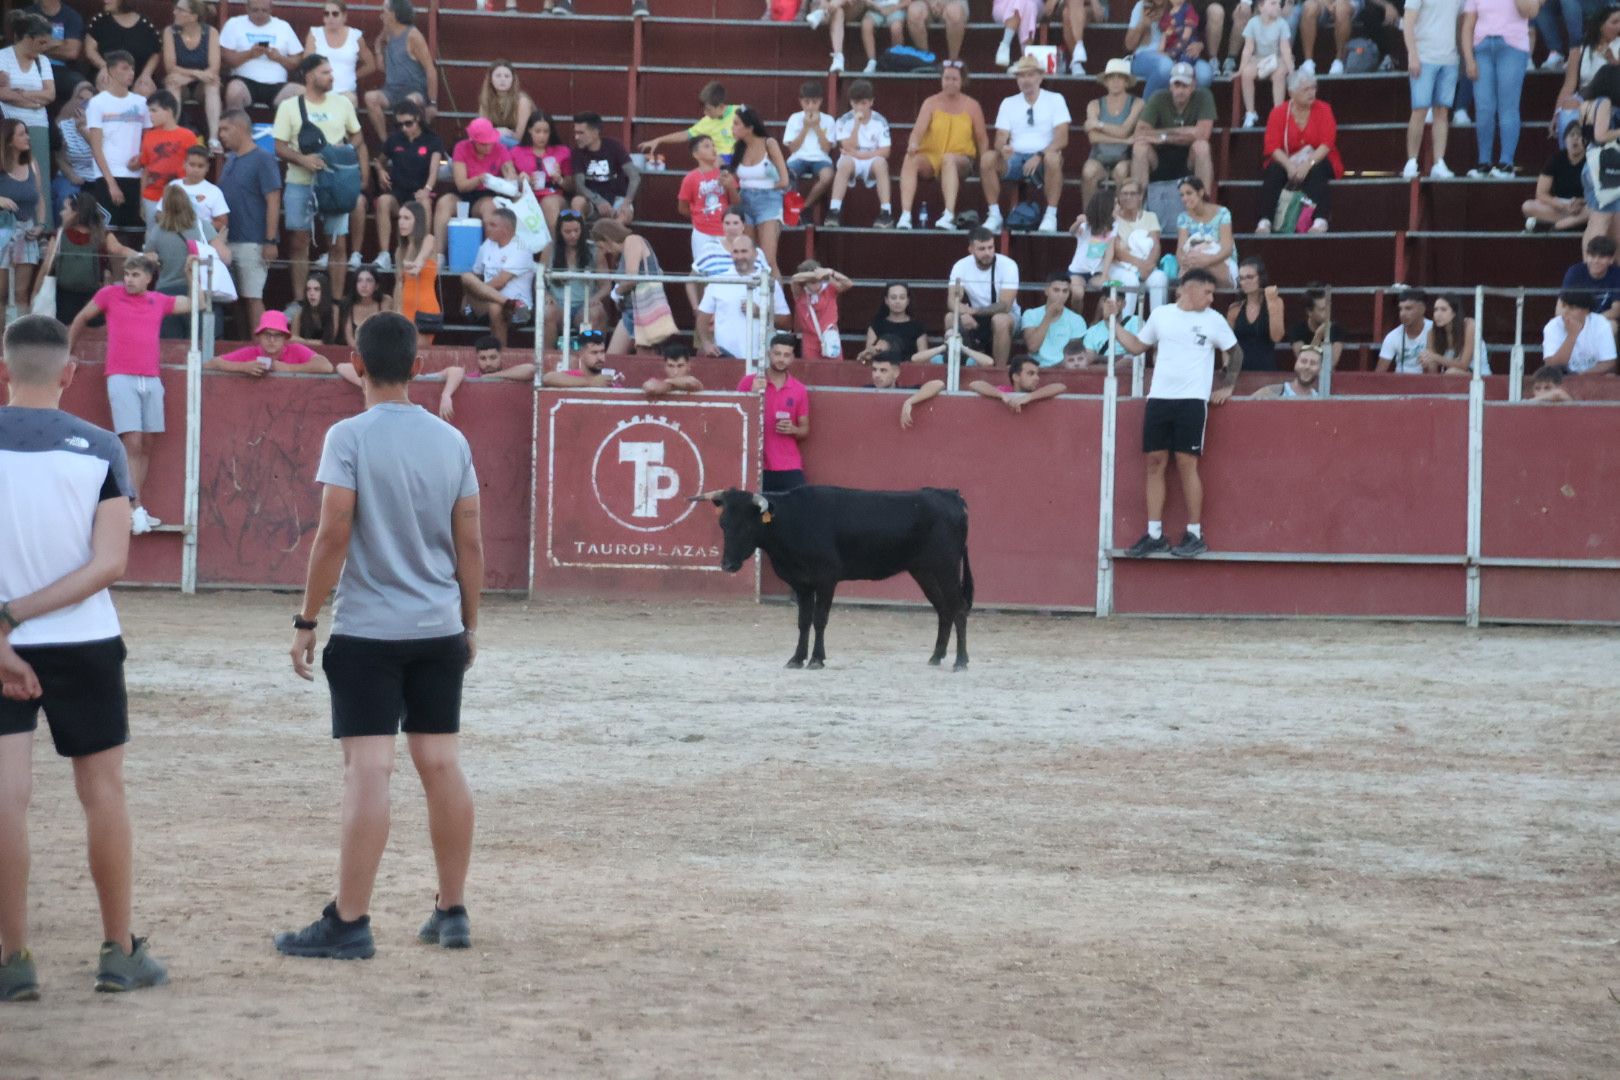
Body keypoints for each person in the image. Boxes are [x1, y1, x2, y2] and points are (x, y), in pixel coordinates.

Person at [275, 312, 481, 962]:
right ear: (419, 366)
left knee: (369, 768)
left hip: (368, 630)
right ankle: (452, 910)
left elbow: (334, 531)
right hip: (438, 626)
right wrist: (468, 623)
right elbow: (470, 541)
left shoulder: (349, 435)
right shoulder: (450, 441)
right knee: (441, 762)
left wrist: (308, 618)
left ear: (356, 365)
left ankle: (351, 920)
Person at [0, 314, 169, 1003]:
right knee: (102, 793)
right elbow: (110, 564)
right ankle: (118, 950)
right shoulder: (101, 448)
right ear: (70, 374)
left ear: (6, 370)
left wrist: (3, 625)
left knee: (6, 802)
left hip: (2, 646)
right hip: (82, 640)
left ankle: (12, 960)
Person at [1116, 267, 1242, 559]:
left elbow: (1235, 353)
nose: (1211, 298)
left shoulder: (1214, 320)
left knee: (1187, 463)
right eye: (1207, 292)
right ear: (1188, 289)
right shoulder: (1162, 315)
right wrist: (1113, 322)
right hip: (1159, 397)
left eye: (1213, 293)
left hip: (1192, 400)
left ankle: (1195, 534)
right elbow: (1136, 347)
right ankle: (1155, 534)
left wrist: (1229, 387)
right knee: (1154, 462)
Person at [66, 255, 192, 534]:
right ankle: (132, 507)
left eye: (135, 275)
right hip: (121, 375)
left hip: (151, 378)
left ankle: (137, 507)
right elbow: (81, 318)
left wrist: (189, 271)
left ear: (148, 278)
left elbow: (198, 303)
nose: (129, 280)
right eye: (127, 274)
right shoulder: (110, 295)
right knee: (132, 441)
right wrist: (68, 351)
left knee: (146, 443)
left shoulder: (158, 300)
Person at [272, 55, 367, 301]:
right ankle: (300, 299)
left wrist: (341, 150)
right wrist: (304, 160)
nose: (331, 76)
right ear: (310, 75)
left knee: (337, 242)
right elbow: (279, 147)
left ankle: (336, 300)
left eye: (331, 71)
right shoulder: (289, 106)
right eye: (325, 72)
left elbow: (357, 135)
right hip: (300, 180)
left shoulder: (342, 104)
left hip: (334, 182)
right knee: (298, 240)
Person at [981, 55, 1070, 234]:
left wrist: (1040, 155)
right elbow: (1000, 137)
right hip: (1015, 157)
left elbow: (1062, 138)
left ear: (1040, 77)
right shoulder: (1008, 102)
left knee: (1053, 158)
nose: (1026, 80)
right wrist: (1002, 148)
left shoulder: (1055, 99)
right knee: (988, 158)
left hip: (1044, 157)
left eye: (1030, 75)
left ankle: (1050, 215)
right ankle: (994, 214)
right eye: (1021, 76)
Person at [897, 62, 985, 231]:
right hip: (932, 156)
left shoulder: (972, 106)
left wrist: (982, 163)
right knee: (911, 159)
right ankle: (905, 215)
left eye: (954, 79)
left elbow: (982, 138)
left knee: (948, 159)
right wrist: (913, 144)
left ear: (962, 81)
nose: (950, 82)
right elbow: (917, 132)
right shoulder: (930, 102)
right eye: (946, 78)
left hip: (961, 158)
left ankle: (949, 214)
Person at [216, 109, 280, 335]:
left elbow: (273, 200)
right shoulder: (230, 159)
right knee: (236, 300)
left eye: (225, 129)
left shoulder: (263, 158)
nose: (221, 134)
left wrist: (270, 240)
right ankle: (245, 345)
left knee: (253, 297)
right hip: (228, 240)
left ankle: (262, 348)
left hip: (253, 240)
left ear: (241, 128)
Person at [1255, 68, 1340, 233]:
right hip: (1289, 160)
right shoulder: (1278, 113)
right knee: (1274, 170)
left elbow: (1327, 143)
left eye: (1313, 88)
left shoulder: (1324, 109)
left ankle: (1320, 220)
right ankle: (1265, 220)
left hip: (1318, 158)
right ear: (1291, 93)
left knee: (1317, 169)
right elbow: (1272, 146)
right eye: (1305, 89)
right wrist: (1289, 166)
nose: (1311, 93)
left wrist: (1308, 164)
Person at [33, 191, 135, 326]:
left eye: (65, 209)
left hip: (83, 298)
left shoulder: (96, 234)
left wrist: (35, 292)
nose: (61, 213)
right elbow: (119, 249)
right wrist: (140, 255)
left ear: (76, 213)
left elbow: (46, 266)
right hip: (72, 297)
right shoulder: (63, 234)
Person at [1461, 0, 1536, 177]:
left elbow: (1530, 11)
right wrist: (1469, 59)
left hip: (1513, 46)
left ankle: (1506, 163)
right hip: (1482, 47)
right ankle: (1484, 162)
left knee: (1508, 106)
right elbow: (1467, 25)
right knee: (1484, 107)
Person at [143, 183, 224, 340]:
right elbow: (224, 256)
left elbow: (148, 259)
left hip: (167, 292)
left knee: (171, 347)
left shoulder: (158, 231)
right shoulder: (202, 226)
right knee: (201, 344)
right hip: (198, 291)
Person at [371, 101, 443, 273]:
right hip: (398, 193)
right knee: (383, 201)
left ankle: (421, 253)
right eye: (399, 124)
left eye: (408, 123)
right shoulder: (394, 139)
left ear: (418, 119)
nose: (404, 128)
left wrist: (426, 189)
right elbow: (377, 161)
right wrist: (381, 171)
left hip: (419, 192)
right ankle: (384, 254)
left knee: (424, 203)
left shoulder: (433, 140)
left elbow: (434, 170)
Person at [0, 12, 58, 220]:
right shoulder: (3, 57)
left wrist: (21, 93)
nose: (45, 47)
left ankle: (42, 224)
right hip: (10, 122)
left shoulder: (43, 62)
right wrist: (35, 100)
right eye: (41, 42)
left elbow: (50, 94)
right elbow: (2, 93)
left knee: (38, 176)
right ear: (28, 38)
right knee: (13, 170)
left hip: (38, 123)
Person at [432, 116, 515, 259]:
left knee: (491, 208)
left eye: (490, 143)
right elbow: (461, 184)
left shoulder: (500, 149)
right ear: (473, 141)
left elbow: (511, 174)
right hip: (464, 192)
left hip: (485, 194)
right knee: (443, 203)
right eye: (483, 144)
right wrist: (479, 178)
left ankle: (491, 256)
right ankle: (439, 255)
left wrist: (512, 179)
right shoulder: (461, 148)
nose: (488, 146)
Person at [85, 50, 150, 231]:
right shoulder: (98, 103)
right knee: (110, 233)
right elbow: (96, 146)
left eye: (132, 69)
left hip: (135, 175)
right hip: (108, 174)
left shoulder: (141, 102)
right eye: (125, 68)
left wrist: (142, 160)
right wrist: (111, 183)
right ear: (111, 71)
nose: (131, 73)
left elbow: (148, 139)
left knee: (135, 232)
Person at [736, 333, 810, 491]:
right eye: (777, 354)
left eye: (786, 355)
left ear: (792, 358)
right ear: (769, 353)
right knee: (761, 513)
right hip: (756, 463)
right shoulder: (749, 382)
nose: (781, 359)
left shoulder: (799, 389)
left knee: (799, 509)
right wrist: (752, 395)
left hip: (789, 464)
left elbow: (804, 430)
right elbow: (735, 421)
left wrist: (793, 429)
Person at [698, 234, 790, 359]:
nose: (739, 256)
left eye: (744, 251)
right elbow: (702, 317)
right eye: (735, 252)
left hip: (761, 360)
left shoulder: (769, 283)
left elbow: (787, 323)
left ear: (755, 254)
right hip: (725, 358)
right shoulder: (718, 281)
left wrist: (762, 313)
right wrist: (706, 343)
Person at [1131, 61, 1216, 192]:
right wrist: (1186, 132)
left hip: (1188, 158)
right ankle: (1139, 205)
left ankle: (1203, 202)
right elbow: (1140, 133)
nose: (1180, 90)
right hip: (1159, 158)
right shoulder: (1158, 97)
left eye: (1185, 85)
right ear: (1170, 86)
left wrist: (1163, 136)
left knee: (1202, 147)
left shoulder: (1204, 96)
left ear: (1193, 86)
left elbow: (1202, 134)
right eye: (1177, 85)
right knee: (1139, 147)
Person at [1400, 0, 1460, 178]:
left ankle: (1439, 162)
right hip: (1424, 56)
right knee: (1419, 110)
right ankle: (1411, 161)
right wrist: (1412, 54)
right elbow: (1408, 20)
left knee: (1442, 111)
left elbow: (1461, 20)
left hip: (1450, 59)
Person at [363, 0, 436, 144]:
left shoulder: (413, 35)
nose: (381, 15)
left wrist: (432, 103)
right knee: (370, 97)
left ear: (394, 14)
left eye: (384, 11)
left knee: (409, 102)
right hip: (391, 90)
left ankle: (407, 143)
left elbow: (430, 69)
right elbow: (382, 68)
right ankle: (387, 143)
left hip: (415, 90)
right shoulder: (388, 33)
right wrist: (378, 50)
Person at [460, 207, 534, 349]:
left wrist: (475, 291)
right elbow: (476, 275)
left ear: (506, 229)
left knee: (495, 307)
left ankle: (501, 356)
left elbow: (500, 282)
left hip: (521, 311)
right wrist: (466, 298)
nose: (487, 228)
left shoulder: (521, 248)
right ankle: (508, 303)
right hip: (489, 304)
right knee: (466, 277)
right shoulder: (487, 245)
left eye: (493, 225)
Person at [730, 107, 790, 277]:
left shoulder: (769, 143)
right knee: (749, 257)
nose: (733, 128)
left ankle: (776, 303)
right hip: (745, 200)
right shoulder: (738, 148)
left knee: (768, 260)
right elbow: (734, 177)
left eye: (736, 124)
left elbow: (784, 180)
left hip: (769, 200)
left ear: (749, 127)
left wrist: (762, 187)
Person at [591, 217, 665, 355]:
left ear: (608, 239)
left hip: (646, 310)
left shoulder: (633, 240)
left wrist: (616, 292)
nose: (605, 251)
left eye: (602, 246)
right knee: (612, 360)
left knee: (645, 361)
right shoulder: (624, 251)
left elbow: (632, 278)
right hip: (630, 311)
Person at [824, 80, 892, 228]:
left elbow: (886, 151)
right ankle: (834, 210)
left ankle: (886, 212)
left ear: (871, 102)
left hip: (871, 159)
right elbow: (848, 146)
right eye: (856, 103)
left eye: (864, 103)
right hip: (852, 159)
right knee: (844, 163)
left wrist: (862, 155)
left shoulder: (880, 121)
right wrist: (856, 125)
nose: (860, 107)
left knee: (881, 164)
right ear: (851, 103)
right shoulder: (844, 120)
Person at [947, 226, 1020, 364]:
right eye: (982, 249)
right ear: (971, 249)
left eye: (991, 247)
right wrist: (963, 314)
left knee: (1000, 320)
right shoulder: (960, 266)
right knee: (951, 318)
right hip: (977, 316)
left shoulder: (1008, 265)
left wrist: (974, 311)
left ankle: (999, 372)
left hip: (1008, 316)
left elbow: (1005, 306)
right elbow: (952, 302)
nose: (988, 253)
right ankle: (959, 369)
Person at [220, 0, 303, 114]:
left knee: (302, 93)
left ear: (271, 9)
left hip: (277, 84)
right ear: (247, 8)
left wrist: (279, 58)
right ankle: (236, 127)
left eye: (264, 10)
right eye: (255, 10)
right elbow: (226, 59)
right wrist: (249, 54)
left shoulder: (283, 26)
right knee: (234, 91)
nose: (260, 14)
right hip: (244, 82)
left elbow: (296, 60)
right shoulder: (234, 24)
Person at [1083, 59, 1144, 207]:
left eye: (1120, 77)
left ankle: (1121, 219)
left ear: (1126, 82)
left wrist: (1099, 124)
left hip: (1125, 157)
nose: (1115, 81)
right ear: (1106, 81)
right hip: (1099, 156)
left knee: (1121, 171)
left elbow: (1124, 130)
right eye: (1111, 77)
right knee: (1088, 172)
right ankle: (1089, 220)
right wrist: (1124, 140)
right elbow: (1093, 137)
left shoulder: (1137, 103)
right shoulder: (1094, 104)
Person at [161, 0, 220, 153]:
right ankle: (171, 133)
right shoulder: (170, 32)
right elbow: (170, 66)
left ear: (193, 16)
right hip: (182, 83)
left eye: (180, 10)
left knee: (213, 84)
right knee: (173, 81)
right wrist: (197, 73)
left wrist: (189, 77)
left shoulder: (211, 32)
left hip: (200, 85)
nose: (175, 12)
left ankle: (213, 139)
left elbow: (214, 68)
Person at [0, 118, 45, 310]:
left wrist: (40, 225)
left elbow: (39, 197)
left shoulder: (32, 163)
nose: (27, 137)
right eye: (21, 133)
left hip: (26, 232)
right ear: (9, 140)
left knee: (21, 292)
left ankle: (20, 337)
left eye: (27, 132)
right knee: (1, 293)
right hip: (2, 231)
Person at [1107, 179, 1169, 318]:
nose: (1128, 197)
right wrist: (1142, 266)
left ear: (1141, 196)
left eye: (1133, 193)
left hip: (1145, 265)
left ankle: (1157, 326)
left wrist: (1149, 266)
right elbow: (1117, 251)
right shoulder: (1113, 218)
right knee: (1130, 280)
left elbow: (1155, 244)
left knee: (1160, 278)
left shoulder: (1150, 217)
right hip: (1119, 267)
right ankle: (1126, 324)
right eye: (1124, 194)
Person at [136, 90, 197, 230]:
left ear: (168, 111)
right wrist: (141, 201)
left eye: (154, 110)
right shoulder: (149, 136)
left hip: (178, 197)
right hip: (151, 196)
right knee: (152, 236)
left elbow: (193, 168)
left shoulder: (188, 136)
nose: (150, 115)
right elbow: (145, 170)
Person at [206, 310, 336, 375]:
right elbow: (211, 364)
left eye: (277, 335)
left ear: (285, 338)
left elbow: (326, 366)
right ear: (260, 336)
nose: (272, 340)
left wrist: (290, 368)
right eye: (267, 334)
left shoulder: (296, 349)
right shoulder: (251, 352)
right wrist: (244, 367)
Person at [541, 208, 600, 349]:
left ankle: (589, 356)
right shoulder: (550, 249)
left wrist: (596, 297)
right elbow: (539, 281)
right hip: (559, 306)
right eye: (567, 232)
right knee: (547, 311)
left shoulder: (594, 250)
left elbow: (606, 284)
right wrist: (547, 295)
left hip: (584, 306)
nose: (573, 235)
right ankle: (547, 358)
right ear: (559, 232)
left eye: (576, 230)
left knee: (597, 312)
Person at [637, 80, 739, 160]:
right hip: (722, 167)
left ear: (721, 107)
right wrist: (659, 140)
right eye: (704, 109)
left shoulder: (741, 112)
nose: (705, 113)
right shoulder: (707, 122)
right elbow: (685, 135)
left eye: (709, 109)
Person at [570, 112, 639, 224]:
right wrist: (598, 201)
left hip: (617, 198)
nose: (576, 137)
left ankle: (610, 237)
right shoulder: (577, 153)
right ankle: (581, 239)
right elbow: (579, 185)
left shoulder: (614, 146)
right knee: (577, 202)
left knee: (625, 214)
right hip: (592, 200)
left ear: (595, 132)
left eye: (581, 133)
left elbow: (634, 176)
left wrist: (626, 202)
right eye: (575, 132)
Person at [306, 0, 376, 110]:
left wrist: (353, 76)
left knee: (349, 103)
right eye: (326, 14)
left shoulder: (355, 36)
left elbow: (371, 65)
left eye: (335, 14)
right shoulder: (315, 33)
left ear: (344, 16)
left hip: (346, 93)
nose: (330, 17)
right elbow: (306, 64)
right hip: (320, 92)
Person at [511, 112, 571, 236]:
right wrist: (520, 180)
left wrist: (560, 179)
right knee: (519, 201)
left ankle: (555, 248)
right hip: (527, 193)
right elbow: (508, 181)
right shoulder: (516, 152)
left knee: (549, 203)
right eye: (537, 131)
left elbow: (571, 186)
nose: (542, 136)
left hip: (553, 193)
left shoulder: (562, 151)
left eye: (546, 132)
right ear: (529, 131)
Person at [84, 0, 159, 99]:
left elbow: (155, 53)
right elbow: (90, 51)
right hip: (107, 72)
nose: (105, 0)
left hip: (136, 77)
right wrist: (104, 67)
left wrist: (146, 74)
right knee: (107, 83)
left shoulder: (146, 25)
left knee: (145, 89)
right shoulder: (99, 21)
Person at [783, 81, 837, 215]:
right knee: (787, 175)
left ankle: (805, 207)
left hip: (821, 159)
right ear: (801, 102)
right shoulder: (794, 118)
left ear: (820, 102)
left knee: (827, 176)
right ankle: (791, 209)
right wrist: (806, 127)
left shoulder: (829, 120)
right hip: (798, 158)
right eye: (807, 102)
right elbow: (793, 149)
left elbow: (826, 149)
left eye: (814, 102)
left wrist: (817, 127)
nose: (811, 106)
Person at [1580, 66, 1620, 246]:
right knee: (1600, 222)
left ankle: (1590, 262)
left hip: (1591, 164)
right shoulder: (1604, 102)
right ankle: (1591, 265)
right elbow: (1601, 135)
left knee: (1598, 222)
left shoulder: (1586, 103)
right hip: (1604, 169)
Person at [1175, 175, 1237, 289]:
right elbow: (1181, 249)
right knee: (1191, 267)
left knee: (1200, 270)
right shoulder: (1183, 218)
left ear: (1201, 192)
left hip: (1221, 259)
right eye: (1182, 195)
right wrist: (1185, 261)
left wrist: (1206, 261)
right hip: (1195, 261)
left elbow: (1227, 249)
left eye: (1189, 193)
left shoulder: (1222, 213)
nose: (1185, 198)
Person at [1524, 122, 1588, 230]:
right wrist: (1563, 206)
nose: (1575, 139)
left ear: (1586, 141)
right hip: (1560, 205)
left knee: (1596, 210)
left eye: (1580, 136)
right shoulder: (1555, 159)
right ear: (1565, 140)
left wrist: (1582, 201)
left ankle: (1559, 225)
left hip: (1583, 204)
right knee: (1528, 206)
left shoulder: (1592, 159)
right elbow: (1541, 193)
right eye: (1572, 135)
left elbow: (1598, 193)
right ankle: (1575, 222)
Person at [22, 0, 85, 110]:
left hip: (60, 70)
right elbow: (23, 47)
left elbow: (72, 52)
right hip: (31, 66)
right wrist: (59, 42)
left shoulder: (72, 16)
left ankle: (67, 123)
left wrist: (40, 46)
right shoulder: (27, 15)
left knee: (83, 87)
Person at [1238, 0, 1292, 127]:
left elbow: (1285, 48)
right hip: (1258, 58)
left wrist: (1291, 69)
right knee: (1246, 73)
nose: (1278, 7)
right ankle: (1250, 112)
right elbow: (1248, 48)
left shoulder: (1282, 24)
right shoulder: (1253, 23)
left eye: (1279, 4)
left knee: (1279, 74)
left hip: (1277, 58)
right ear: (1261, 7)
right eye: (1273, 3)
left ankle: (1278, 113)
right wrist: (1241, 68)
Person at [392, 200, 438, 342]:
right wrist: (396, 311)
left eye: (406, 218)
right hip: (405, 308)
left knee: (419, 354)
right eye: (400, 218)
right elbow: (399, 284)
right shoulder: (400, 251)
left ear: (417, 221)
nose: (401, 222)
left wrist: (417, 265)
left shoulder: (428, 239)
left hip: (424, 307)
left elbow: (422, 257)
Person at [1540, 288, 1618, 374]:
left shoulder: (1601, 323)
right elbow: (1552, 365)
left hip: (1592, 378)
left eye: (1572, 308)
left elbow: (1608, 363)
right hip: (1562, 379)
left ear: (1587, 311)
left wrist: (1580, 378)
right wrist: (1572, 335)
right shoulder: (1552, 326)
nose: (1565, 312)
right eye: (1564, 306)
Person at [1226, 257, 1284, 371]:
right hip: (1239, 371)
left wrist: (1271, 302)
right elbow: (1227, 343)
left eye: (1250, 277)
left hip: (1266, 370)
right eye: (1241, 278)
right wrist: (1227, 366)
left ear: (1261, 278)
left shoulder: (1276, 302)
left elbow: (1277, 337)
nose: (1245, 282)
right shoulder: (1235, 308)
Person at [1019, 270, 1087, 366]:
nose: (1060, 295)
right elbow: (1032, 347)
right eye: (1056, 290)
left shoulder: (1077, 320)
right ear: (1046, 291)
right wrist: (1048, 316)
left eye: (1065, 291)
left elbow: (1073, 354)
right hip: (1037, 368)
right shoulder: (1030, 314)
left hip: (1065, 369)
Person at [790, 259, 853, 361]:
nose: (816, 283)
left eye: (818, 280)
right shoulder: (800, 293)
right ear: (804, 283)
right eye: (811, 282)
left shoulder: (830, 289)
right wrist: (815, 274)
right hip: (810, 340)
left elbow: (849, 283)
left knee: (835, 371)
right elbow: (794, 278)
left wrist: (830, 272)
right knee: (812, 372)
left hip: (830, 336)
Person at [1066, 187, 1118, 309]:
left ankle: (1096, 320)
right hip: (1078, 271)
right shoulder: (1087, 224)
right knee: (1078, 294)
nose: (1118, 207)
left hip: (1097, 271)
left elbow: (1109, 252)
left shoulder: (1114, 226)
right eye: (1115, 204)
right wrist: (1078, 222)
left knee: (1110, 289)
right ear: (1106, 207)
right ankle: (1078, 321)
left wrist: (1105, 274)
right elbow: (1072, 231)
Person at [52, 81, 99, 212]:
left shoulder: (100, 127)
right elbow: (59, 157)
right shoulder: (63, 125)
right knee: (66, 197)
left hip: (96, 179)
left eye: (88, 100)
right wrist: (72, 175)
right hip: (70, 177)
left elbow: (102, 152)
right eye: (80, 98)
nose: (83, 103)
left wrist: (83, 129)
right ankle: (62, 232)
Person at [868, 351, 945, 427]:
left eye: (883, 370)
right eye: (874, 370)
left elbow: (939, 384)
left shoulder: (906, 391)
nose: (876, 375)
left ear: (896, 373)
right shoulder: (865, 389)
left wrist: (909, 401)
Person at [969, 354, 1068, 411]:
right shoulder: (1004, 391)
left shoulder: (1037, 392)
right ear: (1016, 377)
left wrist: (1029, 397)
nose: (1037, 378)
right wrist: (1002, 395)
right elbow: (974, 384)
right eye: (1031, 374)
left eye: (1037, 374)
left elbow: (1061, 386)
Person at [1562, 234, 1620, 330]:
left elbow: (1616, 309)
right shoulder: (1575, 271)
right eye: (1592, 256)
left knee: (1611, 325)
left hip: (1602, 319)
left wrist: (1591, 320)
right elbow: (1561, 306)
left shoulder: (1617, 273)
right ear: (1587, 256)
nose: (1596, 260)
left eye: (1602, 257)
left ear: (1611, 260)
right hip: (1575, 319)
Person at [169, 145, 228, 235]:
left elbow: (222, 223)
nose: (196, 170)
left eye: (200, 166)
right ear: (184, 164)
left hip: (203, 243)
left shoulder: (214, 191)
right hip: (175, 238)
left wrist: (197, 225)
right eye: (192, 165)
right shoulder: (173, 186)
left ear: (207, 167)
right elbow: (160, 214)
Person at [476, 60, 534, 148]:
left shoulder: (522, 101)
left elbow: (520, 137)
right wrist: (498, 131)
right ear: (490, 79)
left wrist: (496, 134)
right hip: (494, 143)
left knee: (499, 141)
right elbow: (480, 131)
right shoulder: (485, 99)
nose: (502, 80)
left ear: (513, 80)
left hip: (522, 147)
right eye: (498, 76)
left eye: (507, 76)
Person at [864, 281, 929, 359]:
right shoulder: (876, 325)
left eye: (902, 297)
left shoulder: (918, 327)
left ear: (908, 300)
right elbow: (868, 356)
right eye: (893, 297)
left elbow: (924, 359)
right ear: (886, 300)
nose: (897, 302)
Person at [1376, 288, 1434, 372]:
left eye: (1408, 308)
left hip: (1428, 382)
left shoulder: (1435, 329)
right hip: (1400, 383)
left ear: (1422, 309)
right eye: (1400, 309)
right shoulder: (1392, 336)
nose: (1402, 314)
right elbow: (1379, 373)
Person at [1418, 292, 1478, 374]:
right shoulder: (1432, 333)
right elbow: (1432, 371)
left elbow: (1464, 365)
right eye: (1436, 310)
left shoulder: (1469, 325)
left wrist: (1435, 357)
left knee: (1451, 372)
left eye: (1443, 309)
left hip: (1478, 377)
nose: (1438, 314)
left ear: (1454, 313)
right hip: (1449, 378)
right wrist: (1426, 363)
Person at [1288, 282, 1344, 367]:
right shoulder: (1296, 330)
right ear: (1309, 312)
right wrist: (1318, 336)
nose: (1327, 312)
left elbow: (1331, 364)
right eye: (1322, 310)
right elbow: (1305, 364)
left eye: (1328, 307)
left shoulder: (1336, 329)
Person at [540, 326, 616, 387]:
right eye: (594, 353)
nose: (600, 357)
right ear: (581, 353)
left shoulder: (608, 381)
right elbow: (547, 378)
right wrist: (591, 382)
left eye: (602, 352)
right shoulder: (571, 376)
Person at [339, 266, 394, 347]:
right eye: (359, 281)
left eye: (369, 280)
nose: (364, 285)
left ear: (376, 286)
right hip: (355, 351)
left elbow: (387, 333)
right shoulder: (347, 303)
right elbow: (350, 338)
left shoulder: (385, 301)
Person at [905, 0, 970, 62]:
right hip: (925, 2)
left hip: (954, 2)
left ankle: (953, 62)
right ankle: (925, 60)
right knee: (914, 12)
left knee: (954, 12)